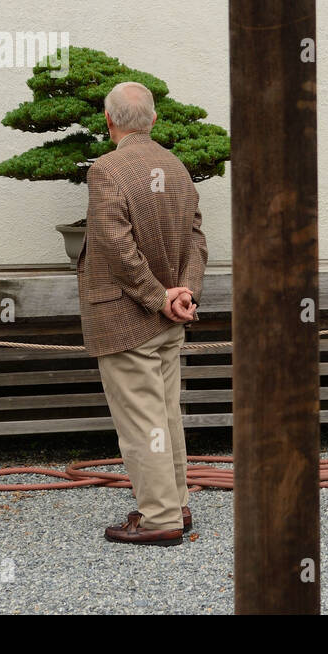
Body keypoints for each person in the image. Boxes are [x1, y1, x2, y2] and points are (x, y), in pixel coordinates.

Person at [77, 80, 208, 547]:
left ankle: (159, 519)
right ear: (153, 120)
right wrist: (184, 293)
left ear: (108, 121)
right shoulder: (176, 166)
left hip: (126, 317)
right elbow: (196, 238)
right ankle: (175, 503)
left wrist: (156, 296)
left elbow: (114, 247)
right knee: (166, 416)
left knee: (143, 423)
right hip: (169, 318)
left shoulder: (106, 170)